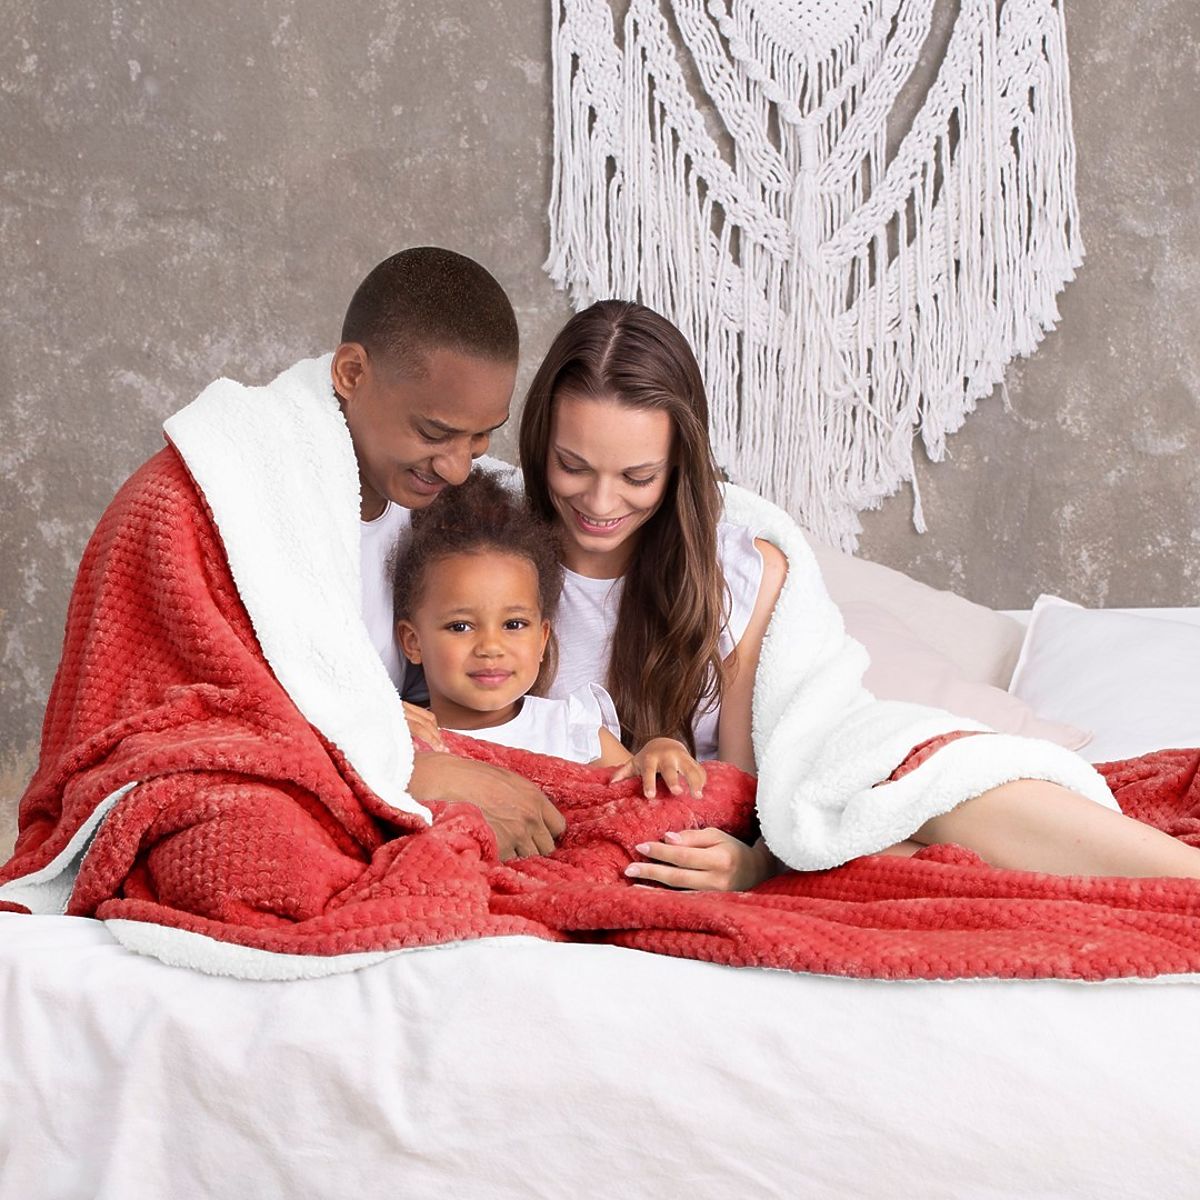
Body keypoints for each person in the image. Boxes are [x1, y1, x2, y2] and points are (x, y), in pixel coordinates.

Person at [518, 299, 1200, 890]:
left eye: (638, 478)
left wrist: (753, 862)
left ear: (679, 467)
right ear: (541, 440)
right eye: (573, 466)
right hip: (652, 828)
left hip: (809, 778)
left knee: (928, 783)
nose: (600, 503)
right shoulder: (491, 561)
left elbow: (761, 778)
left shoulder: (737, 569)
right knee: (911, 868)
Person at [393, 470, 707, 795]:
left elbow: (633, 803)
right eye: (461, 626)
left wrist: (658, 753)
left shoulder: (570, 729)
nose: (491, 647)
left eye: (514, 624)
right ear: (413, 642)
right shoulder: (402, 739)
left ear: (542, 639)